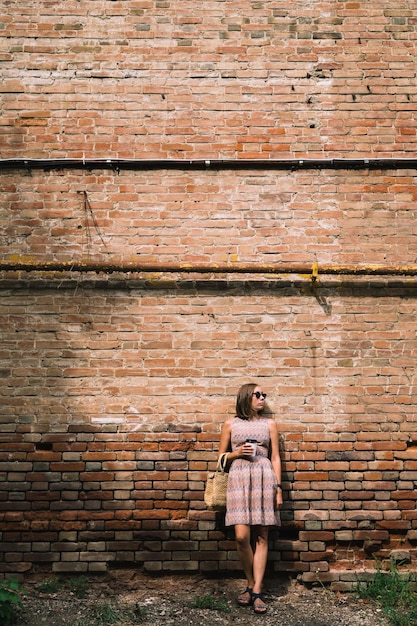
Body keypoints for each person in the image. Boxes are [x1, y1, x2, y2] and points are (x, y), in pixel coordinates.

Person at [218, 382, 283, 615]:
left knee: (262, 535)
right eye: (258, 394)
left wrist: (278, 488)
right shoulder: (230, 424)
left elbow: (275, 457)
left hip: (264, 477)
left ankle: (256, 590)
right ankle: (250, 581)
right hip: (238, 479)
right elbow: (221, 460)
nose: (262, 398)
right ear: (246, 397)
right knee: (241, 536)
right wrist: (237, 453)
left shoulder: (269, 424)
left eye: (264, 394)